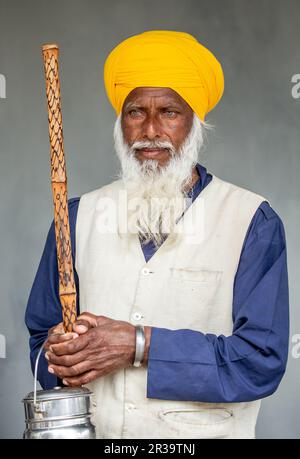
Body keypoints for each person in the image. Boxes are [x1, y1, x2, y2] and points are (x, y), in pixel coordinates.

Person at [25, 30, 289, 439]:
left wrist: (138, 344)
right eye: (135, 112)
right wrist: (60, 354)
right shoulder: (74, 217)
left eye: (169, 111)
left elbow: (259, 362)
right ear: (121, 123)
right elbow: (41, 342)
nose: (150, 130)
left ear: (194, 122)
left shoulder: (252, 221)